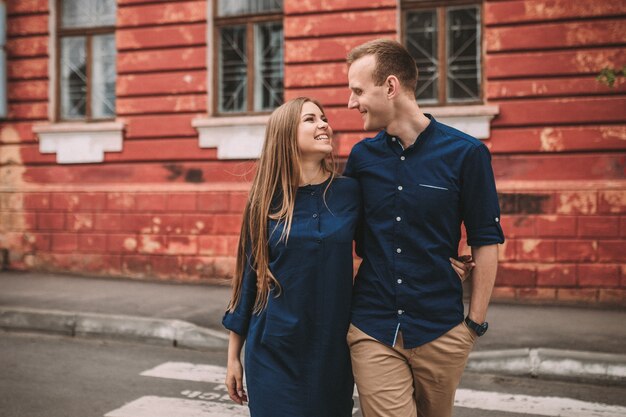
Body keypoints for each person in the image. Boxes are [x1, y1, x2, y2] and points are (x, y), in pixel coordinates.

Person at [222, 96, 474, 417]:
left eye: (324, 118)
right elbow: (248, 279)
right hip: (274, 349)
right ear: (285, 134)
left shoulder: (349, 192)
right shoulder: (264, 201)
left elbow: (387, 242)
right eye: (310, 120)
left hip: (332, 350)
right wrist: (233, 358)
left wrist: (436, 267)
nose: (324, 124)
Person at [344, 39, 504, 417]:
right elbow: (336, 231)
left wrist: (473, 325)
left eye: (357, 91)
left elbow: (486, 240)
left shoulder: (466, 154)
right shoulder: (362, 158)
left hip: (441, 328)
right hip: (373, 326)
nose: (351, 103)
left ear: (390, 86)